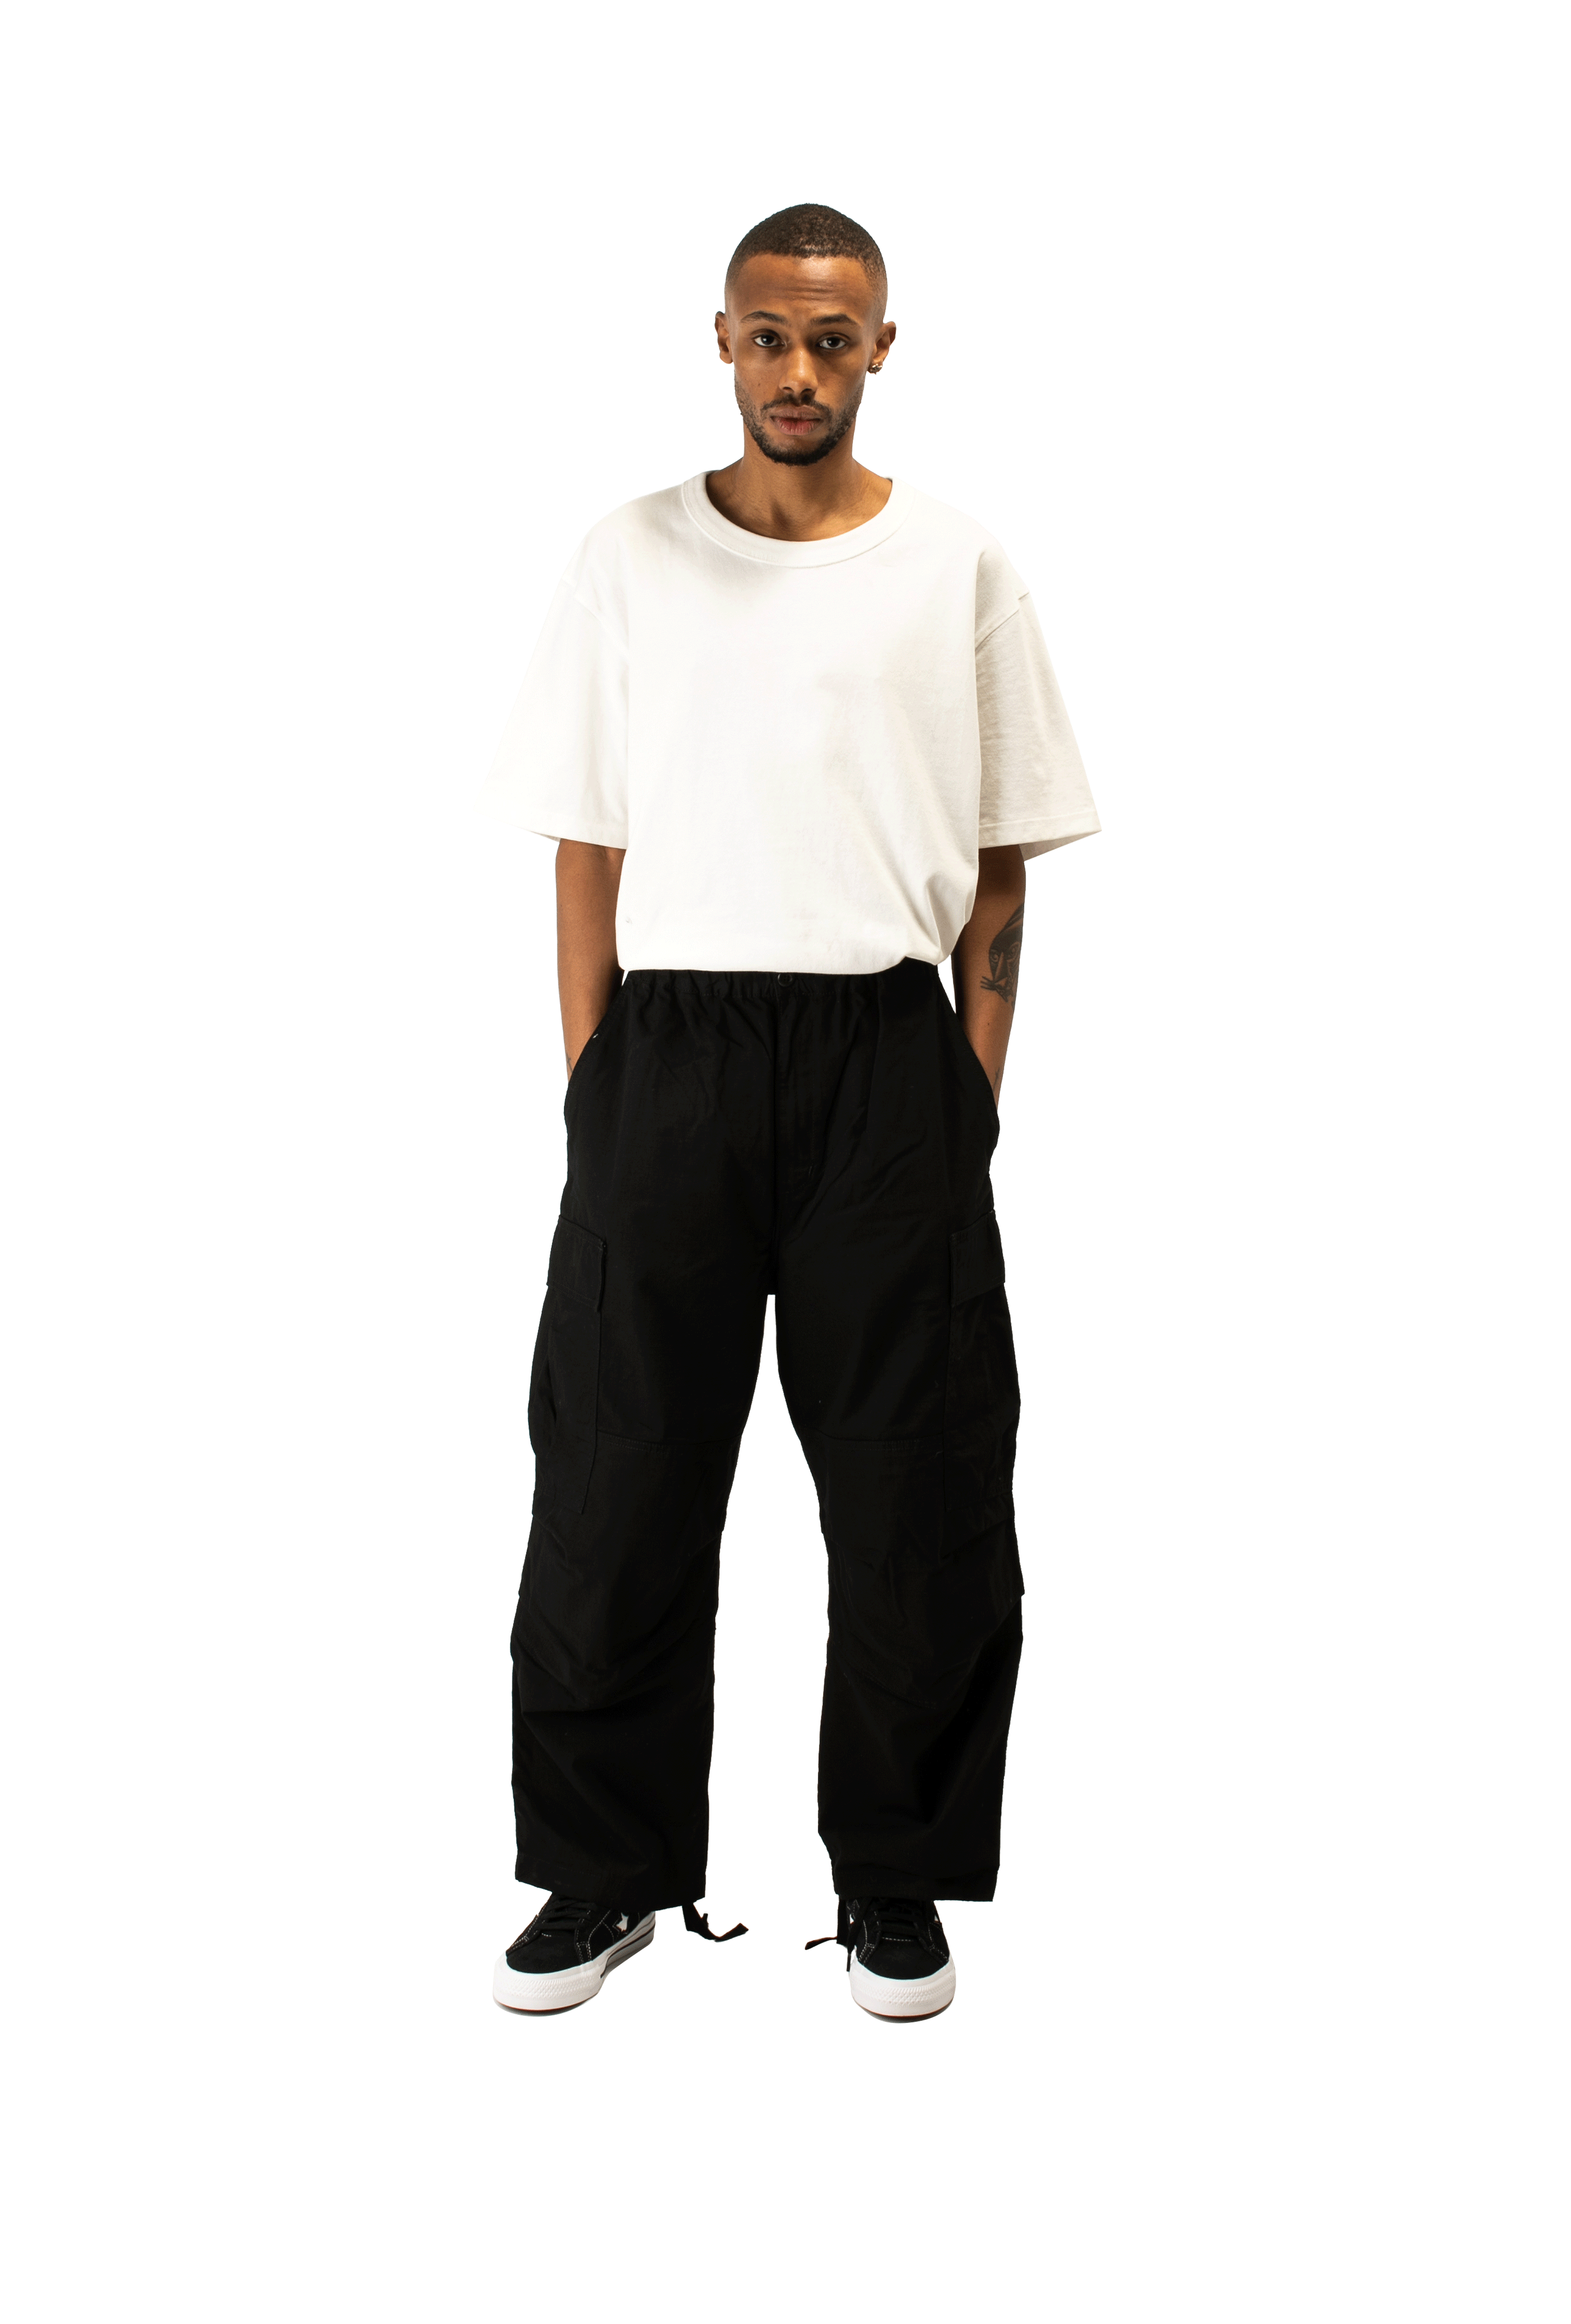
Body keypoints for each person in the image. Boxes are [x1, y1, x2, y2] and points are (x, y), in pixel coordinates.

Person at [480, 203, 1099, 2021]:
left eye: (834, 338)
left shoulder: (956, 565)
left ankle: (894, 1877)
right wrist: (599, 1080)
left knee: (919, 1484)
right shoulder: (630, 557)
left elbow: (1002, 858)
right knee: (617, 1472)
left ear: (882, 346)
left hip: (885, 1060)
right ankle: (604, 1874)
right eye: (770, 336)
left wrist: (965, 1093)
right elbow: (585, 844)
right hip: (667, 1051)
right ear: (725, 342)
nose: (800, 369)